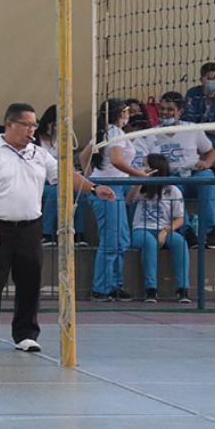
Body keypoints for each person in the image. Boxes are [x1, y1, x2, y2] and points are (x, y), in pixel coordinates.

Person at [0, 103, 115, 355]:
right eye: (26, 125)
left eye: (34, 125)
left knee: (30, 282)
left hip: (29, 227)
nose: (32, 130)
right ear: (10, 124)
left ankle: (25, 334)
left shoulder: (39, 154)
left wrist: (93, 188)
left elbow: (66, 176)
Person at [85, 100, 151, 301]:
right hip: (109, 189)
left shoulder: (104, 133)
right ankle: (101, 288)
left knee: (120, 239)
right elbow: (115, 160)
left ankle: (114, 284)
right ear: (120, 113)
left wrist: (91, 178)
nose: (129, 115)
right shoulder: (115, 133)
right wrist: (139, 174)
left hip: (114, 187)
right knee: (112, 240)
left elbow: (83, 157)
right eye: (126, 111)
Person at [144, 91, 215, 249]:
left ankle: (212, 232)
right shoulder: (152, 134)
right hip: (171, 177)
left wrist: (206, 163)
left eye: (170, 109)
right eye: (162, 108)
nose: (165, 112)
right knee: (171, 188)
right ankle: (187, 232)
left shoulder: (192, 129)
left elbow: (211, 151)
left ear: (180, 111)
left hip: (194, 173)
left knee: (208, 179)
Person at [129, 154, 191, 304]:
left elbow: (180, 218)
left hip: (164, 228)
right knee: (149, 243)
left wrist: (166, 231)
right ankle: (151, 289)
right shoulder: (140, 187)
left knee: (180, 242)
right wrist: (140, 180)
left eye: (145, 165)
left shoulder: (173, 190)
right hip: (141, 229)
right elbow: (129, 200)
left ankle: (183, 289)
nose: (142, 167)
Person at [35, 105, 90, 247]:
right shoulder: (36, 140)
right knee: (55, 192)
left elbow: (69, 163)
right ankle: (47, 233)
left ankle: (78, 233)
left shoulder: (63, 141)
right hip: (42, 181)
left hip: (60, 179)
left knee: (79, 192)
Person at [182, 62, 215, 149]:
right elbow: (188, 121)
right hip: (202, 132)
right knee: (188, 136)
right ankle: (208, 144)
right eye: (211, 79)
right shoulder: (192, 94)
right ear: (202, 80)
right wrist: (209, 130)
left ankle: (207, 145)